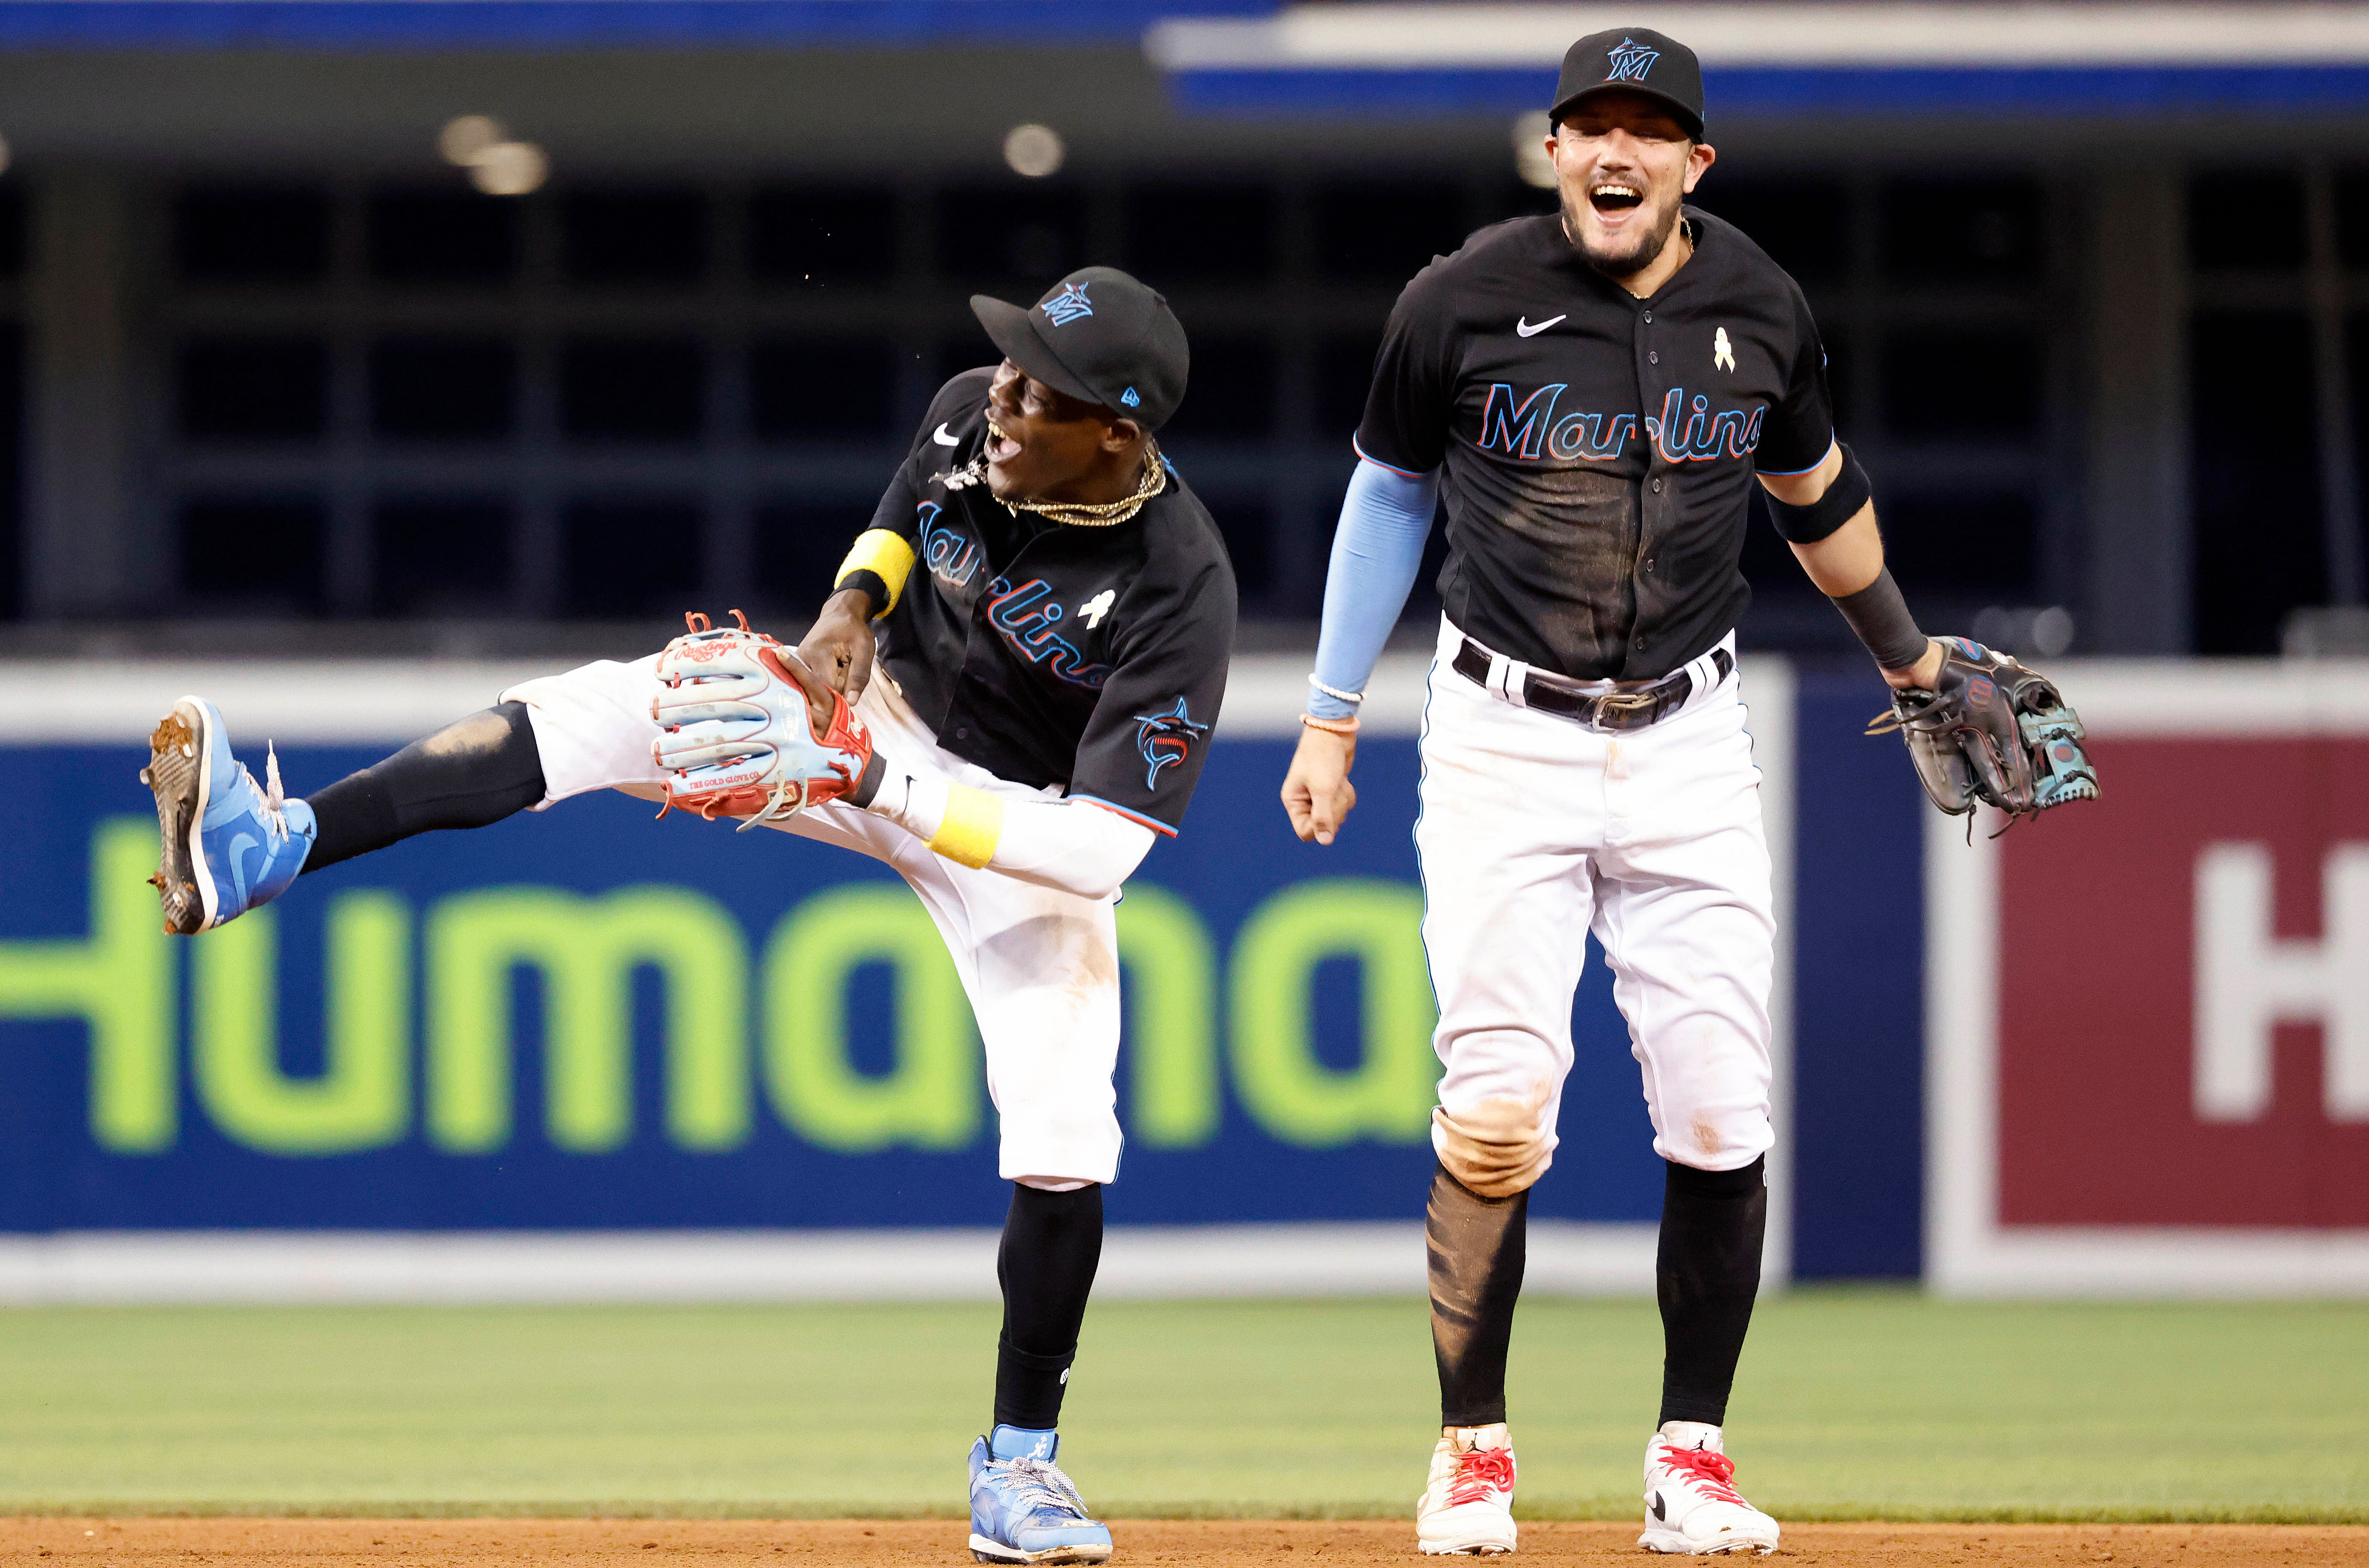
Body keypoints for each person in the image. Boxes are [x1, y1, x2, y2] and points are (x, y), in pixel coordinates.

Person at [142, 267, 1236, 1568]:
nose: (1001, 394)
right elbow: (897, 525)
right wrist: (845, 617)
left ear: (1118, 432)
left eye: (1038, 389)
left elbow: (1102, 851)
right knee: (615, 705)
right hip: (864, 718)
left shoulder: (1181, 585)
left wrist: (878, 783)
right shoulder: (969, 414)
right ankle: (272, 847)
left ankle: (1018, 1474)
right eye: (1007, 364)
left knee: (1065, 1129)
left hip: (1010, 820)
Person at [1277, 28, 1948, 1559]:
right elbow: (1386, 497)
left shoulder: (1759, 303)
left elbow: (1817, 496)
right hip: (1504, 735)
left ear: (1696, 162)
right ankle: (1471, 1454)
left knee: (1721, 1106)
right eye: (1592, 125)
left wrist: (1910, 664)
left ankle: (1691, 1460)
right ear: (1557, 147)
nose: (1616, 151)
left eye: (1650, 128)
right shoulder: (1458, 299)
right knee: (1500, 1106)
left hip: (1693, 746)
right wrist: (1328, 718)